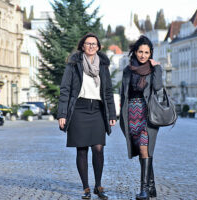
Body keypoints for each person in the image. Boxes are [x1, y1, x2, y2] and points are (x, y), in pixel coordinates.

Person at [57, 33, 116, 200]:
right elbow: (65, 90)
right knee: (81, 149)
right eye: (88, 44)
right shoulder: (73, 64)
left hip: (97, 110)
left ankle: (98, 185)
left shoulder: (103, 66)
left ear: (98, 47)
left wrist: (111, 113)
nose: (91, 46)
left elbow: (108, 91)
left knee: (98, 148)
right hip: (78, 109)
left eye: (94, 44)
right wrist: (62, 114)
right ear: (82, 46)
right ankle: (86, 187)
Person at [119, 35, 163, 200]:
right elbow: (123, 94)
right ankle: (151, 186)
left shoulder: (153, 69)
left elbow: (158, 87)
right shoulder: (127, 71)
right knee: (140, 150)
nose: (143, 55)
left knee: (145, 147)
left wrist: (157, 68)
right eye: (140, 52)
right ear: (135, 52)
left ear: (151, 53)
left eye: (146, 52)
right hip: (131, 114)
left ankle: (144, 189)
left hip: (147, 113)